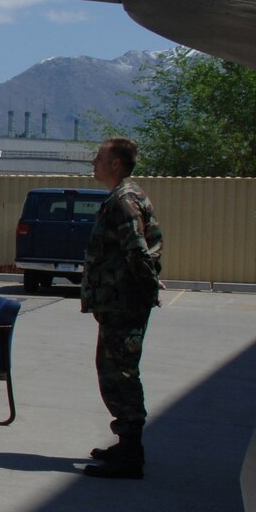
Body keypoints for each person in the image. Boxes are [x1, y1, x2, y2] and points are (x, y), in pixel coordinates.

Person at [81, 136, 165, 479]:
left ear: (115, 163)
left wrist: (146, 290)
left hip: (124, 303)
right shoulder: (122, 197)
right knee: (113, 371)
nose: (94, 162)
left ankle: (131, 454)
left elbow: (137, 251)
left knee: (121, 375)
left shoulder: (124, 201)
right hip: (118, 302)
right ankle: (126, 444)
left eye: (99, 157)